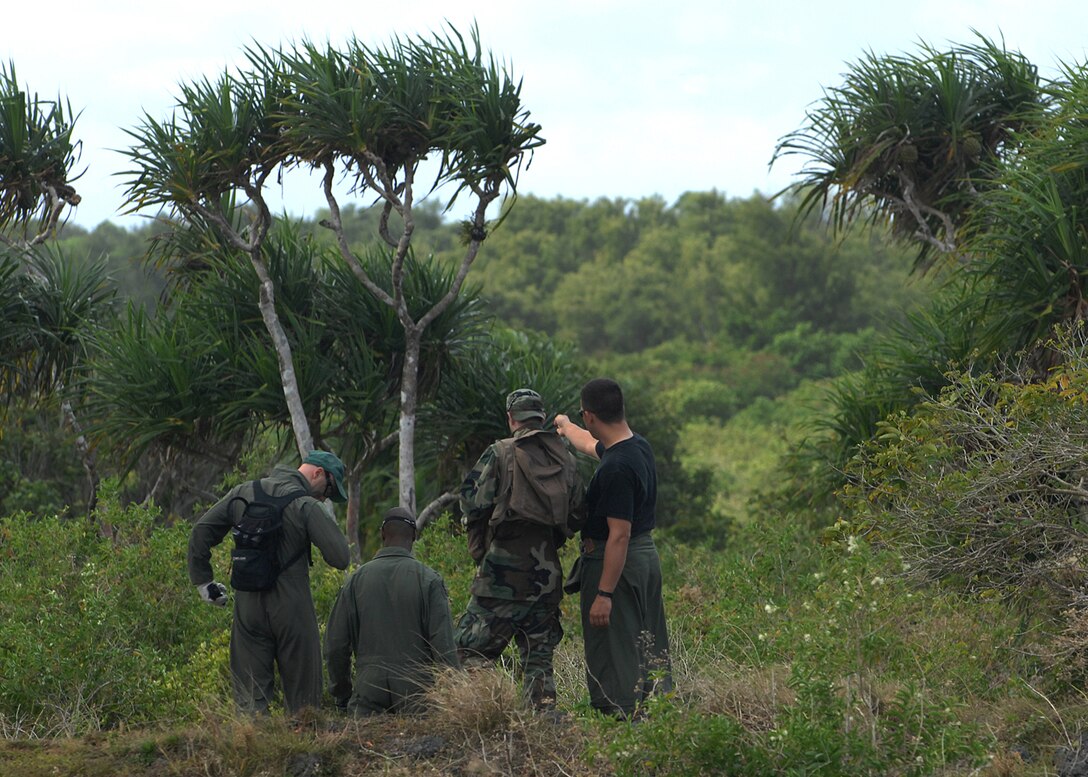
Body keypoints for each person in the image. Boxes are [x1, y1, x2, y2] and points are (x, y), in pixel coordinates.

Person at [187, 450, 351, 714]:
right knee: (304, 706)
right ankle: (302, 754)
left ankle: (253, 749)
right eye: (328, 489)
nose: (325, 497)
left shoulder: (244, 492)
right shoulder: (306, 505)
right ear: (318, 473)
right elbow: (341, 558)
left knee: (250, 704)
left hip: (248, 608)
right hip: (292, 610)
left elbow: (201, 531)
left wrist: (203, 583)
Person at [455, 388, 583, 709]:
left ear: (511, 418)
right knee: (538, 658)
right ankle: (541, 726)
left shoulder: (500, 452)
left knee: (469, 650)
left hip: (501, 572)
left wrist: (478, 549)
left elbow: (472, 502)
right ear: (541, 418)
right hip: (547, 575)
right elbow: (579, 513)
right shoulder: (565, 458)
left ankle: (478, 716)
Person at [554, 378, 672, 718]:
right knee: (646, 643)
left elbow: (618, 534)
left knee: (618, 648)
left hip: (618, 563)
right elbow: (590, 445)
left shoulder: (617, 467)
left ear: (590, 415)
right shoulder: (636, 447)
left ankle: (628, 721)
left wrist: (604, 593)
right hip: (644, 558)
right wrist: (565, 425)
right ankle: (658, 717)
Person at [324, 507, 459, 714]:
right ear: (414, 536)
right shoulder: (429, 581)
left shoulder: (356, 581)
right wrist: (455, 700)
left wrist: (342, 694)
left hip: (368, 691)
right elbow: (445, 649)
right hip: (417, 695)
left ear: (382, 535)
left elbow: (335, 647)